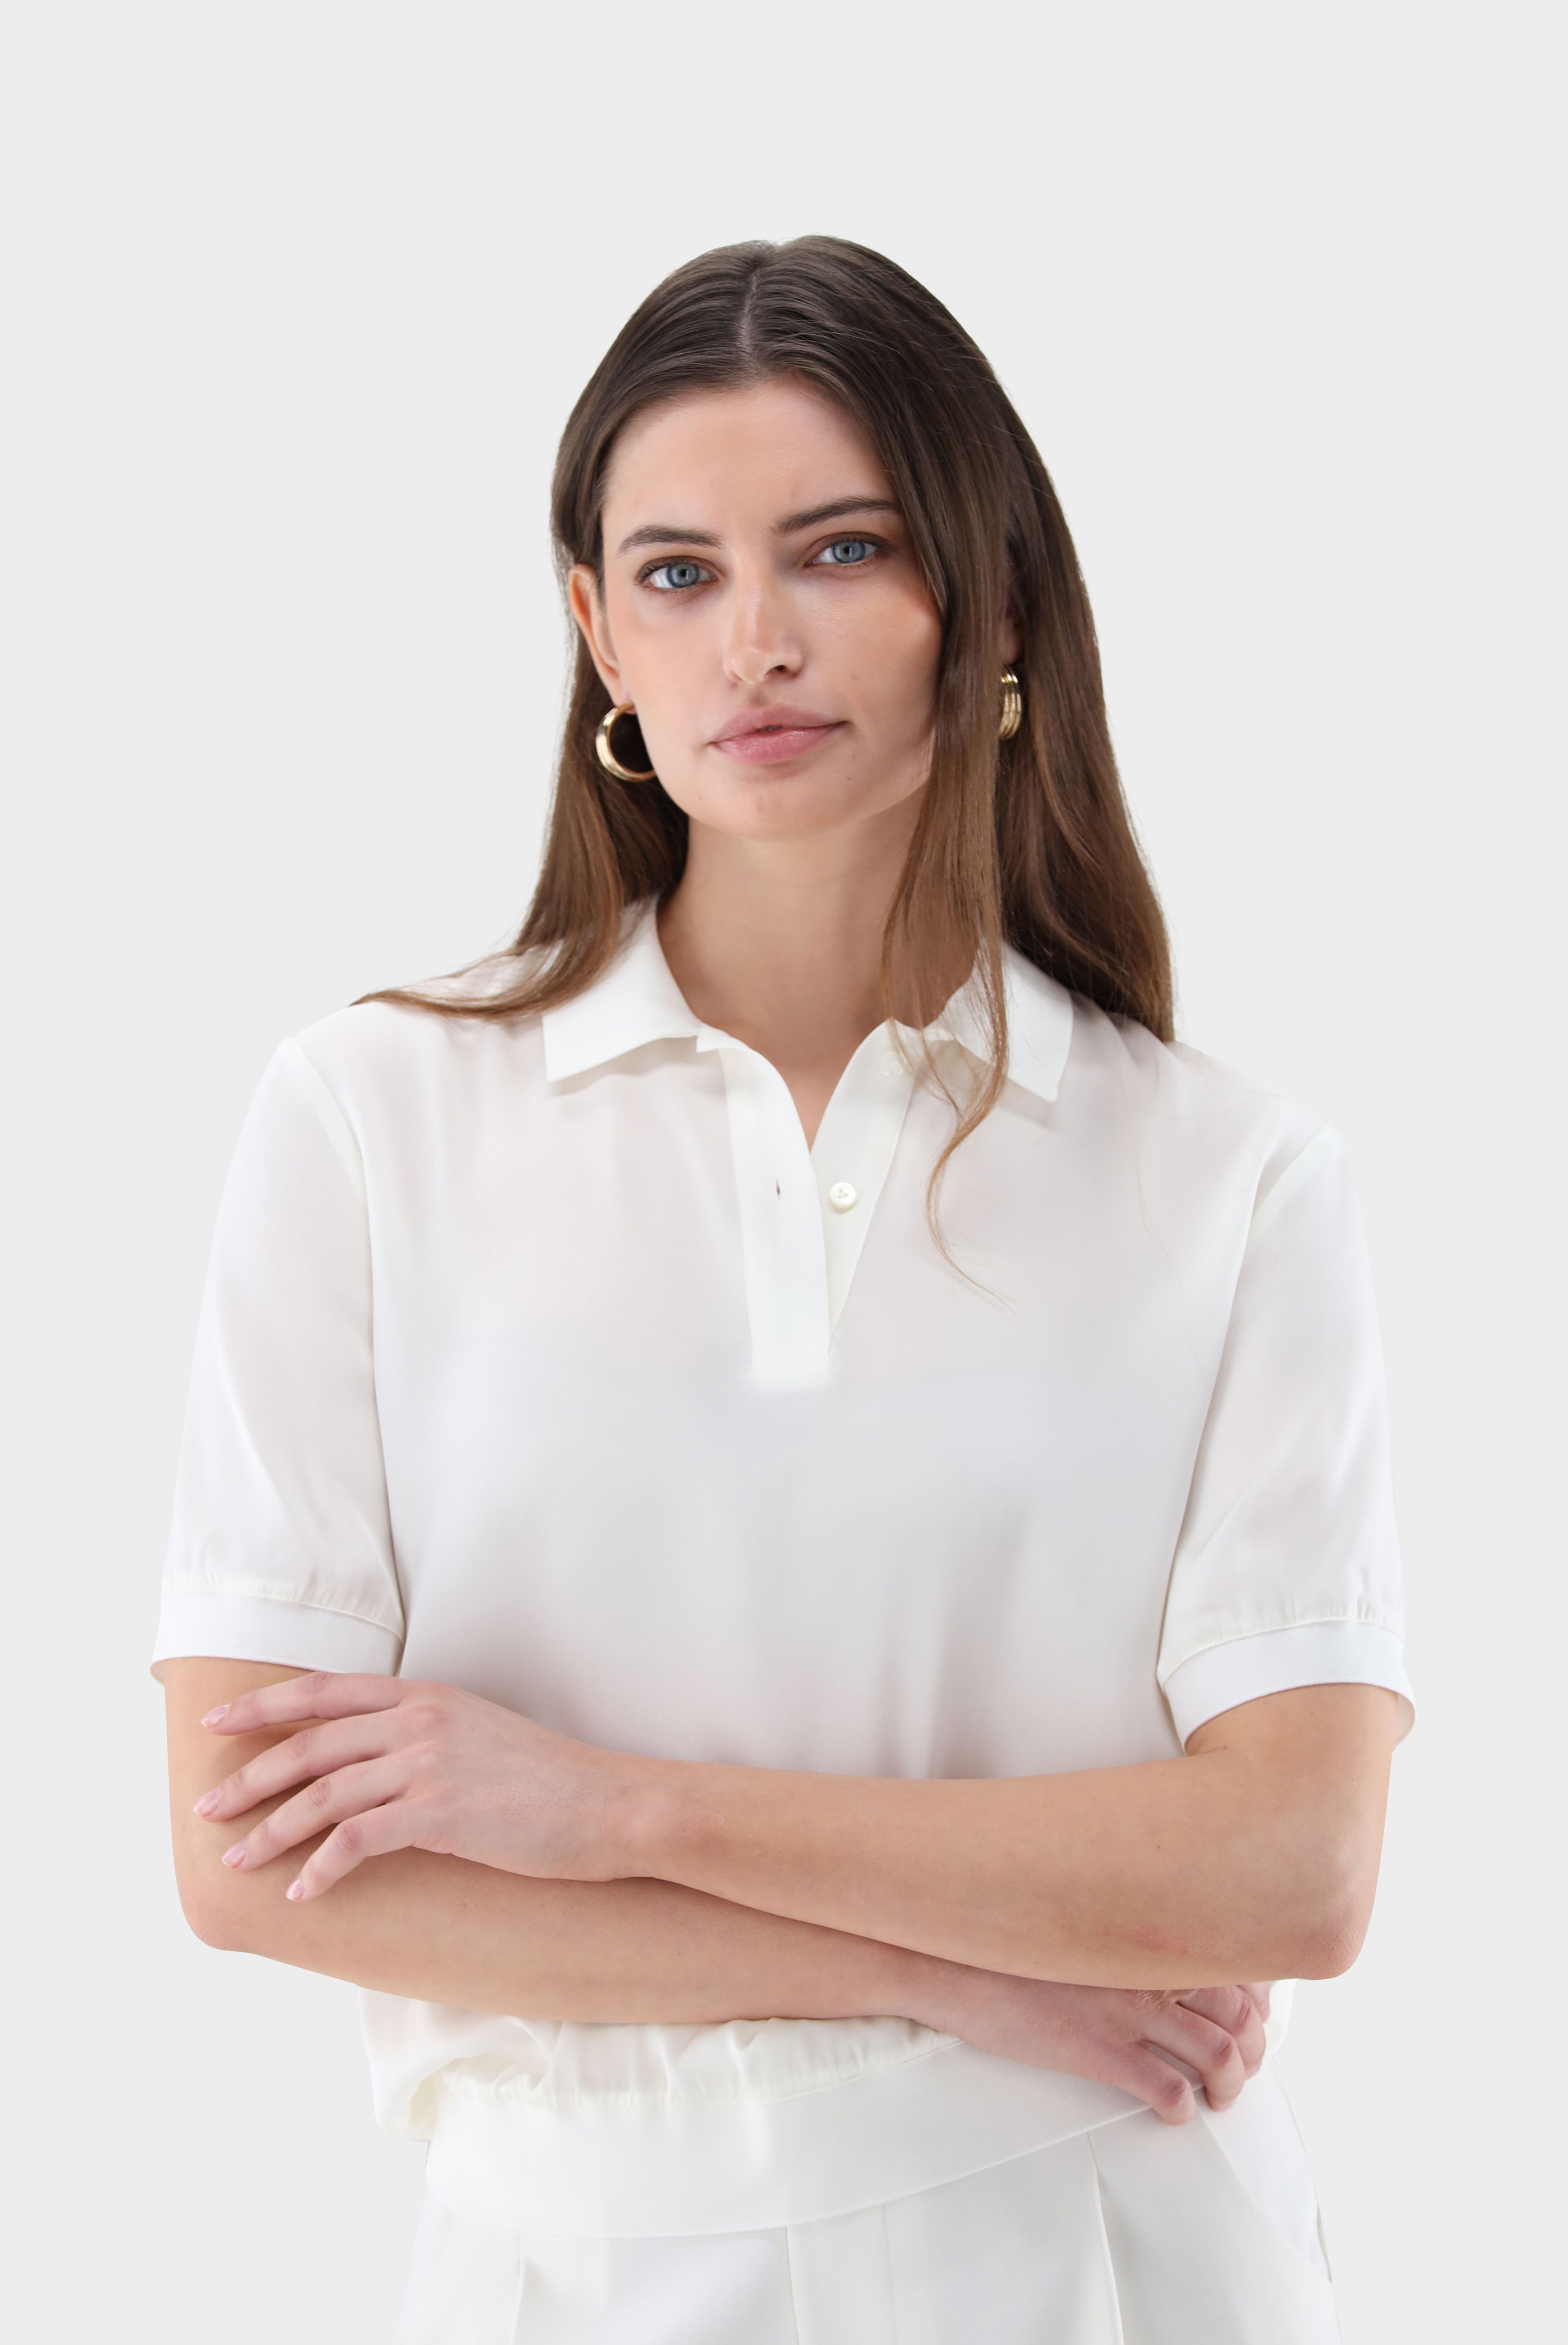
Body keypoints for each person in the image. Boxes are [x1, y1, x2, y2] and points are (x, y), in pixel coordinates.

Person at [155, 236, 1412, 2343]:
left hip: (1102, 2259)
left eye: (841, 550)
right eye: (677, 573)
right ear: (595, 632)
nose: (755, 641)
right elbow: (258, 1859)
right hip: (568, 2272)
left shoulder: (1227, 1178)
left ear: (989, 605)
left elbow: (1292, 1873)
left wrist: (608, 1812)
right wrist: (950, 1971)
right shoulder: (370, 1119)